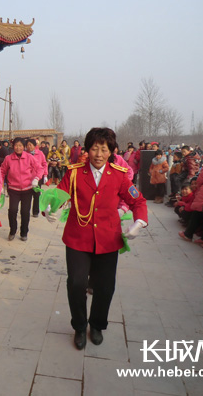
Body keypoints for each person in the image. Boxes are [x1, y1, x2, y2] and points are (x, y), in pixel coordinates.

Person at [53, 127, 148, 350]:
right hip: (78, 237)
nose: (98, 154)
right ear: (88, 149)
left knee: (105, 286)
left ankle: (96, 324)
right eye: (94, 148)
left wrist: (139, 222)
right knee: (76, 283)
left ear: (111, 151)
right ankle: (79, 326)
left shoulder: (119, 175)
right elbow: (59, 193)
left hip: (107, 238)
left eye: (103, 149)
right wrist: (50, 205)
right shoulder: (75, 172)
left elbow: (138, 201)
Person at [0, 137, 44, 241]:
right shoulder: (8, 158)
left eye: (20, 145)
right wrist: (1, 185)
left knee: (25, 212)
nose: (18, 148)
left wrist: (36, 179)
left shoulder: (29, 157)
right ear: (13, 146)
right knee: (12, 210)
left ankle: (24, 232)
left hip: (27, 189)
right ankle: (12, 230)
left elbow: (40, 168)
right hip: (13, 189)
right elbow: (2, 172)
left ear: (24, 147)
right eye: (16, 145)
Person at [26, 138, 48, 217]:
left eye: (30, 145)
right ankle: (26, 211)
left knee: (36, 195)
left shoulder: (40, 153)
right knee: (27, 196)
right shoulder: (24, 154)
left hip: (37, 177)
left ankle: (35, 212)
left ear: (35, 146)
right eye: (27, 145)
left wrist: (45, 175)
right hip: (27, 178)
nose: (29, 147)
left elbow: (44, 164)